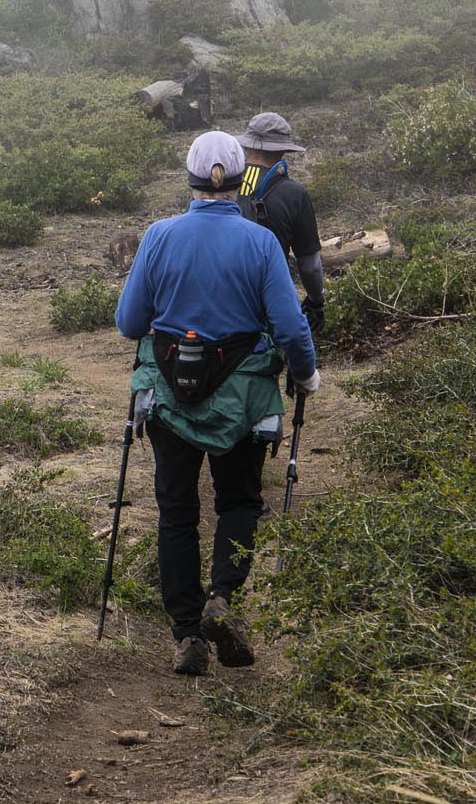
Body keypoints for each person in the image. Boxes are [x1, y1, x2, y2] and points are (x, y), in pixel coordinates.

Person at [114, 131, 318, 676]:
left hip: (167, 400)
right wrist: (307, 375)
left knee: (176, 512)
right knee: (239, 502)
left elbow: (130, 323)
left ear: (192, 176)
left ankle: (185, 636)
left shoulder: (158, 236)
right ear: (238, 178)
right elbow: (290, 328)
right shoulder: (260, 243)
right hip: (243, 399)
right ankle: (222, 599)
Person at [236, 112, 326, 334]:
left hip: (215, 298)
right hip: (269, 302)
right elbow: (310, 265)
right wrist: (316, 301)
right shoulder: (293, 193)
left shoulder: (219, 184)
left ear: (247, 144)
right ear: (283, 149)